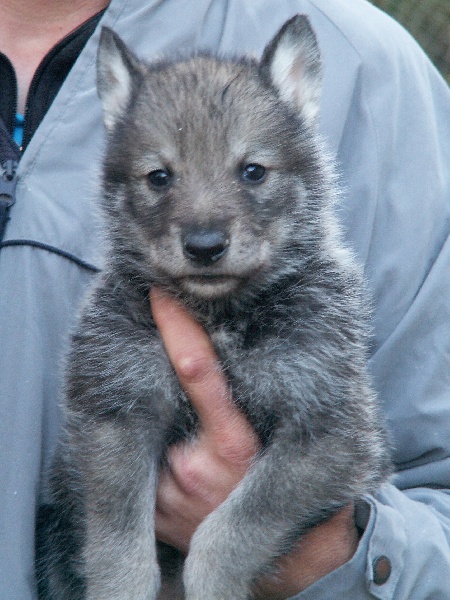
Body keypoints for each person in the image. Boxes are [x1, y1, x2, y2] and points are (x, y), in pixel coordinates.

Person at [0, 0, 449, 598]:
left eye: (252, 174)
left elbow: (363, 456)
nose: (205, 231)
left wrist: (306, 558)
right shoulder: (122, 305)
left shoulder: (367, 68)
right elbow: (104, 437)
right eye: (161, 180)